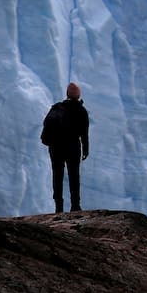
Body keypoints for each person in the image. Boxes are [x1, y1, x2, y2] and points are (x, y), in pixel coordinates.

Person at [41, 82, 90, 213]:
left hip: (56, 147)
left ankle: (59, 207)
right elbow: (84, 133)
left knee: (57, 176)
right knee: (74, 176)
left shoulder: (56, 108)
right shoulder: (81, 111)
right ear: (78, 96)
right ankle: (75, 205)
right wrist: (85, 150)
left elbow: (46, 124)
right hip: (73, 147)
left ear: (67, 94)